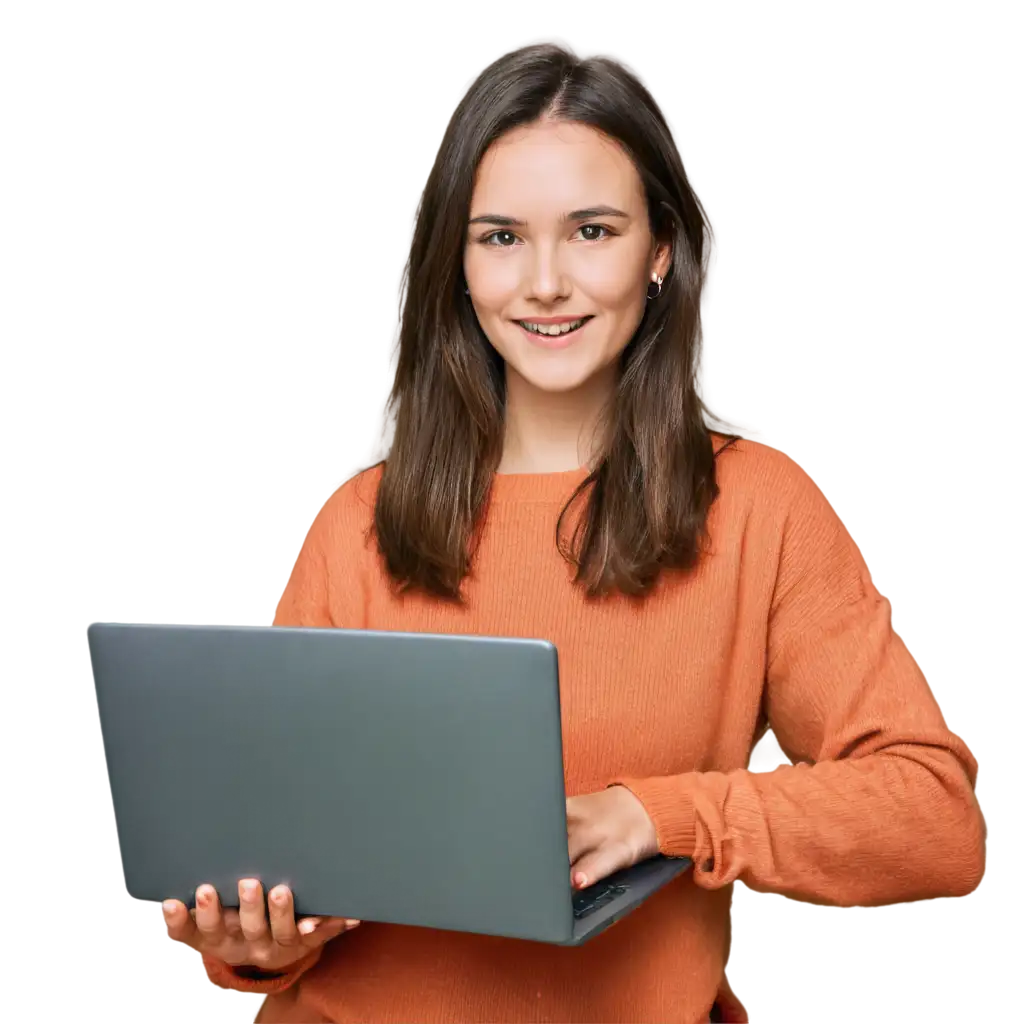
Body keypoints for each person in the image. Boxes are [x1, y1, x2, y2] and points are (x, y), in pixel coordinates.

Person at [158, 47, 982, 1024]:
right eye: (500, 237)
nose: (544, 282)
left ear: (660, 249)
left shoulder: (755, 508)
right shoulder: (357, 526)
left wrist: (656, 814)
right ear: (459, 267)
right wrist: (259, 945)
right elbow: (280, 878)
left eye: (591, 230)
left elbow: (930, 819)